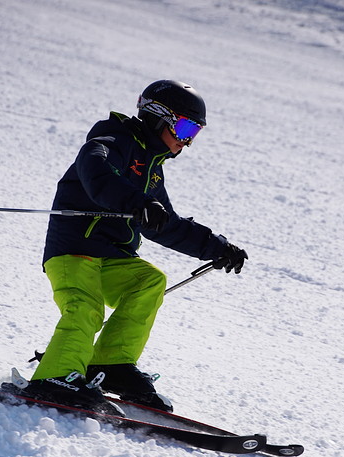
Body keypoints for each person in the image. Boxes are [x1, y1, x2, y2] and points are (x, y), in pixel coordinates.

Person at [21, 80, 248, 414]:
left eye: (194, 133)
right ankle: (54, 378)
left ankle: (111, 365)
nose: (186, 141)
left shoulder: (153, 170)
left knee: (149, 280)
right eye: (185, 128)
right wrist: (135, 201)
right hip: (74, 249)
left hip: (112, 257)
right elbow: (95, 168)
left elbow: (164, 223)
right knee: (85, 307)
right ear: (158, 116)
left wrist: (215, 247)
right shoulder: (115, 140)